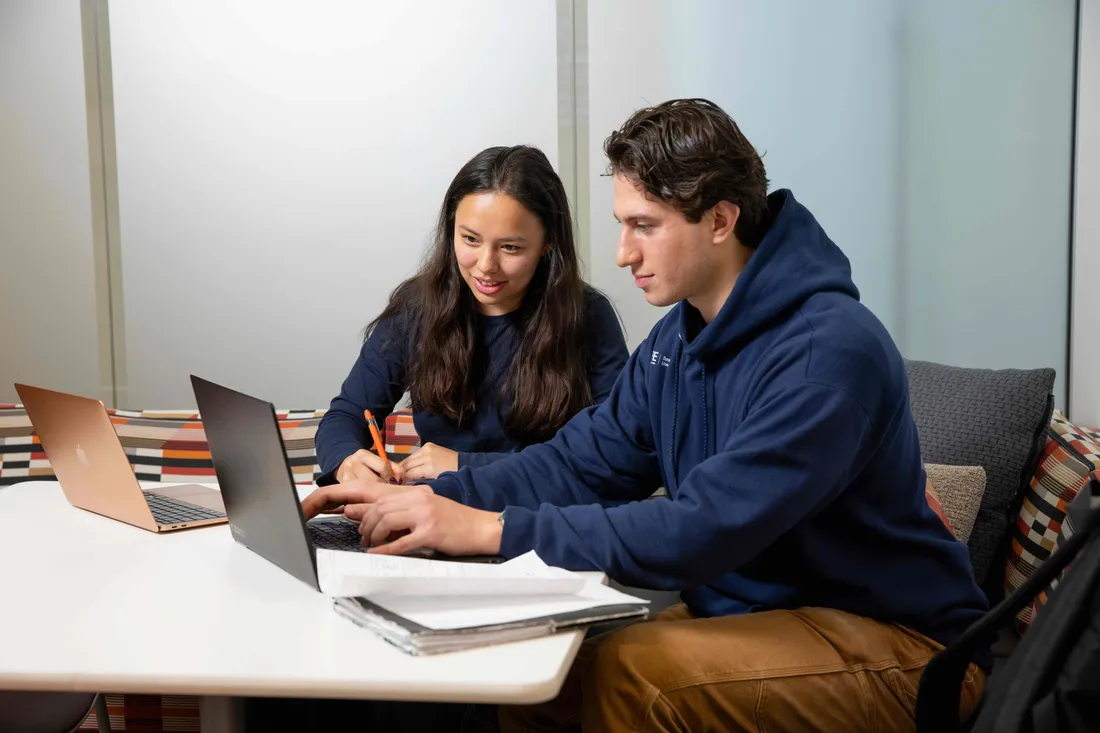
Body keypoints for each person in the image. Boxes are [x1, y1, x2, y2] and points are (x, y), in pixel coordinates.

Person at [303, 99, 990, 732]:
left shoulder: (828, 354)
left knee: (635, 677)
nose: (624, 252)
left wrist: (490, 527)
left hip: (900, 643)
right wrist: (422, 499)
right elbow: (580, 462)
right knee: (524, 675)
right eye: (622, 224)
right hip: (758, 614)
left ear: (720, 219)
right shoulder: (678, 337)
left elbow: (701, 528)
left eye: (644, 227)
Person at [314, 144, 628, 486]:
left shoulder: (587, 315)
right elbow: (346, 415)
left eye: (510, 247)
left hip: (535, 514)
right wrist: (347, 460)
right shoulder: (417, 306)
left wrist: (466, 464)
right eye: (470, 239)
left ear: (547, 244)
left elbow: (609, 452)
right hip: (433, 509)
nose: (485, 266)